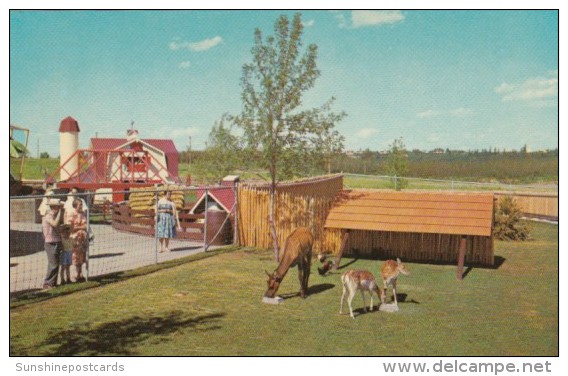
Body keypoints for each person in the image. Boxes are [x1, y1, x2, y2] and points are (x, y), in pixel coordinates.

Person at [42, 198, 63, 289]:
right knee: (53, 263)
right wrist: (60, 213)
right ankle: (47, 283)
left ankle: (53, 283)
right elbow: (54, 224)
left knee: (56, 263)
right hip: (50, 242)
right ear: (54, 207)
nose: (60, 208)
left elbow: (57, 227)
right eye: (59, 207)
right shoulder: (48, 216)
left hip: (57, 240)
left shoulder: (55, 215)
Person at [70, 199, 88, 281]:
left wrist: (79, 227)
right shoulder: (72, 214)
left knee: (82, 255)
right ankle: (76, 274)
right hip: (75, 238)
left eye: (81, 204)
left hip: (82, 237)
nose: (81, 206)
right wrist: (80, 227)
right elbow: (71, 227)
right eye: (79, 204)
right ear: (75, 206)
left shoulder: (83, 214)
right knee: (75, 256)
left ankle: (80, 274)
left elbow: (86, 226)